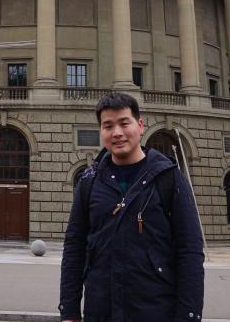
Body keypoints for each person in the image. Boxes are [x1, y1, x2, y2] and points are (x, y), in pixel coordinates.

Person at [59, 92, 204, 322]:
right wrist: (69, 311)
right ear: (101, 131)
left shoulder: (168, 178)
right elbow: (74, 247)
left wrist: (188, 316)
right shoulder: (89, 181)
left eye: (124, 123)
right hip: (100, 311)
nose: (117, 133)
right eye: (108, 126)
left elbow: (190, 251)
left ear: (140, 125)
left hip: (154, 311)